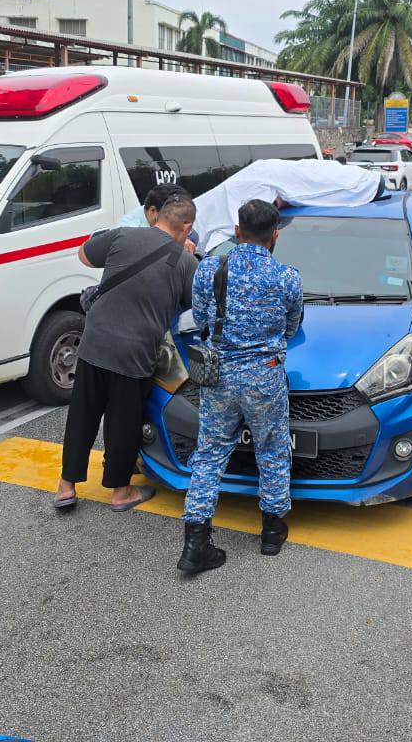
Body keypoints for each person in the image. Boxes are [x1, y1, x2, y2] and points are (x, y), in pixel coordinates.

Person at [180, 199, 303, 573]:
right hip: (264, 376)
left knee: (211, 453)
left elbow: (200, 317)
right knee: (272, 448)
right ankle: (271, 531)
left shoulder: (208, 271)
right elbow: (292, 326)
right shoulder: (287, 277)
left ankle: (196, 541)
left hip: (218, 377)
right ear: (275, 235)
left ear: (237, 231)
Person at [55, 196, 199, 513]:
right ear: (186, 226)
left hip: (94, 342)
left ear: (157, 216)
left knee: (82, 415)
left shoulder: (123, 235)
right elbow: (193, 305)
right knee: (124, 421)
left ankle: (66, 487)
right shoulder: (185, 261)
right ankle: (121, 492)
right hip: (135, 353)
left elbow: (83, 254)